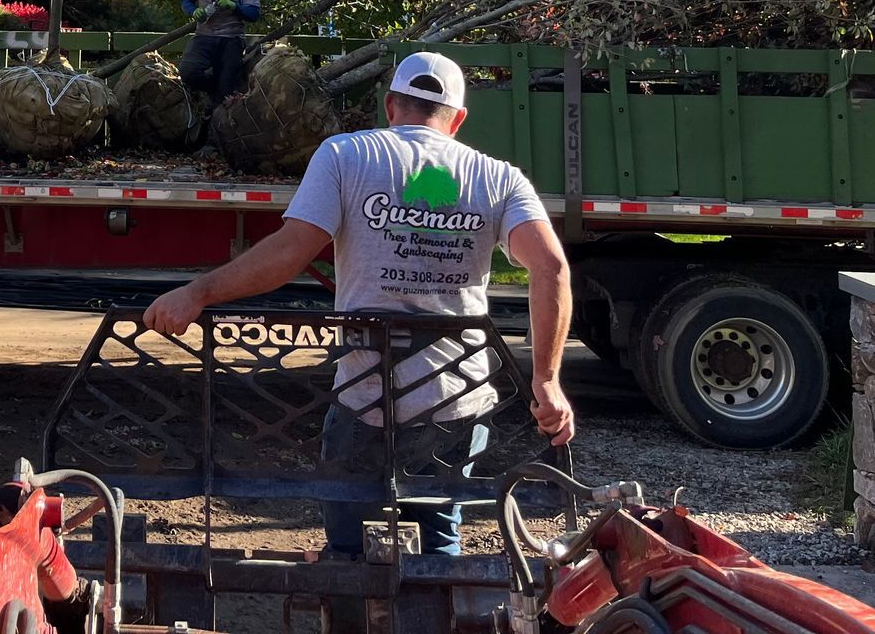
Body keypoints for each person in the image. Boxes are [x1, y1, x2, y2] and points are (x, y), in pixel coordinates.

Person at [143, 49, 573, 565]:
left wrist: (197, 293)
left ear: (390, 105)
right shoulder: (499, 177)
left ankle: (350, 589)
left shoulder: (346, 155)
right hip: (455, 401)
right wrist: (546, 381)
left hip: (366, 399)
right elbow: (551, 268)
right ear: (457, 120)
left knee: (347, 548)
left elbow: (288, 254)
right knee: (438, 550)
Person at [178, 0, 261, 100]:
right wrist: (193, 11)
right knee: (188, 72)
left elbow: (254, 14)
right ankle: (216, 88)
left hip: (232, 40)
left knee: (225, 94)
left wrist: (234, 6)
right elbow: (186, 0)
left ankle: (218, 105)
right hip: (204, 35)